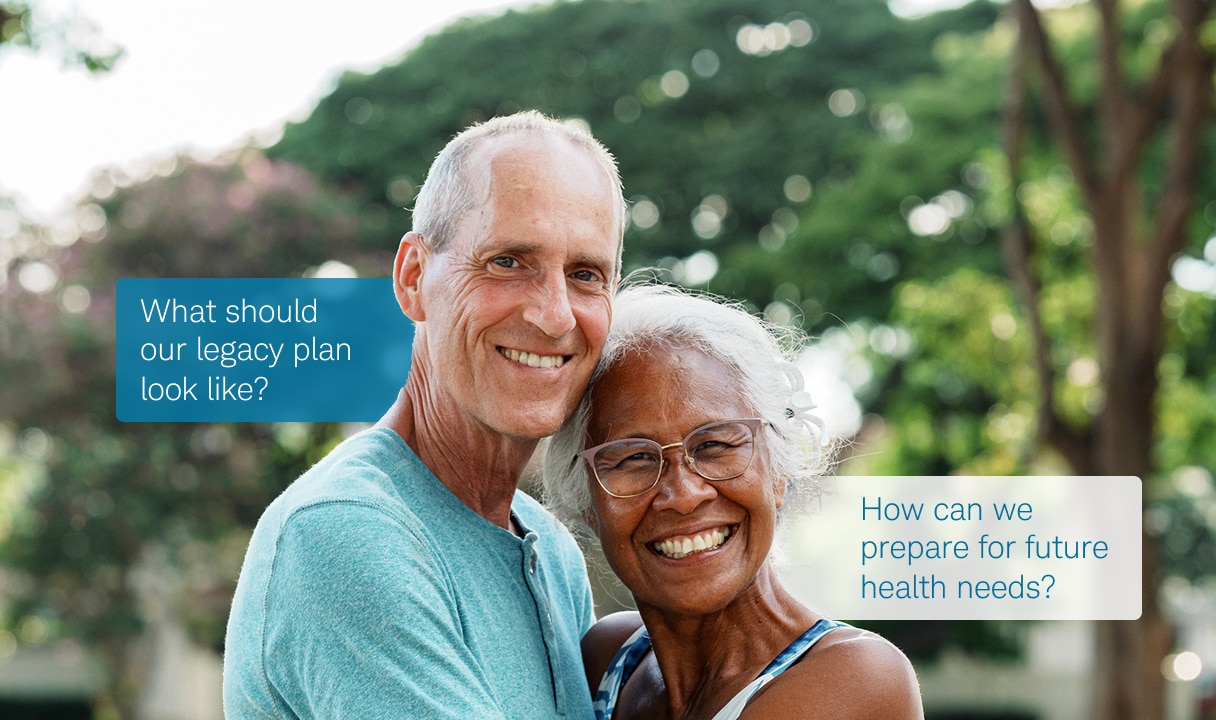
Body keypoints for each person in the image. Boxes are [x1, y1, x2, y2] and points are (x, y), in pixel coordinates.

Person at [223, 110, 627, 718]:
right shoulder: (345, 531)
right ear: (413, 277)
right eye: (508, 261)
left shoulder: (549, 551)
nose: (554, 315)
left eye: (585, 274)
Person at [543, 284, 924, 720]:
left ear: (778, 472)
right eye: (634, 458)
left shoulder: (855, 677)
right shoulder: (608, 659)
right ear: (588, 503)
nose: (683, 495)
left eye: (715, 446)